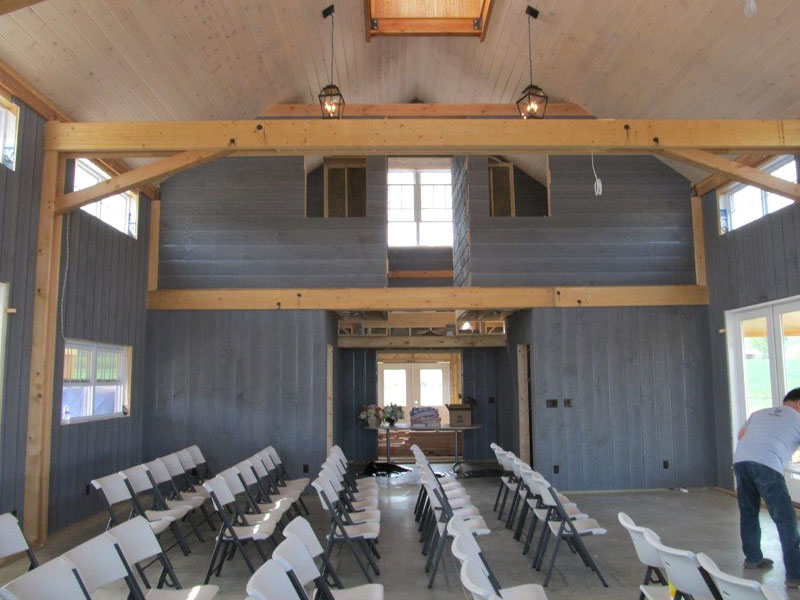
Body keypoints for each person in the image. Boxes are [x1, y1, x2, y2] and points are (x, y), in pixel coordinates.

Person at [734, 387, 800, 588]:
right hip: (767, 464)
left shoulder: (758, 413)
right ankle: (795, 575)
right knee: (786, 520)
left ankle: (753, 558)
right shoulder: (797, 418)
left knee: (749, 512)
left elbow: (741, 436)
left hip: (741, 462)